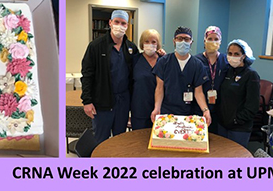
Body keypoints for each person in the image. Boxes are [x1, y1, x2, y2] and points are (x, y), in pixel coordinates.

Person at [80, 10, 139, 145]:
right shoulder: (96, 46)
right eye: (116, 22)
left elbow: (141, 67)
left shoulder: (131, 48)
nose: (120, 25)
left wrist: (158, 55)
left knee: (120, 140)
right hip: (102, 102)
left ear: (127, 26)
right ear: (110, 23)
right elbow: (87, 75)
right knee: (100, 141)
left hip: (123, 102)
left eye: (123, 23)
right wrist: (87, 101)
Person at [151, 26, 211, 125]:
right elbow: (159, 88)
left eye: (186, 39)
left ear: (191, 42)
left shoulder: (197, 65)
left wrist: (205, 110)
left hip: (188, 113)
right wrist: (157, 107)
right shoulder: (164, 62)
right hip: (167, 111)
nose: (183, 41)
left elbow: (199, 92)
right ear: (174, 41)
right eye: (179, 38)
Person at [216, 39, 260, 148]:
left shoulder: (251, 75)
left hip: (239, 128)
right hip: (222, 125)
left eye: (236, 54)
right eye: (230, 53)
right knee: (221, 155)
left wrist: (236, 120)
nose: (232, 56)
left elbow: (252, 106)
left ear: (243, 56)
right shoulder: (227, 71)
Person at [194, 26, 228, 134]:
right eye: (210, 39)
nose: (213, 42)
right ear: (204, 40)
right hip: (199, 107)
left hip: (219, 109)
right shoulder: (196, 60)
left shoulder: (226, 60)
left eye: (216, 39)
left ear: (220, 42)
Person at [130, 29, 163, 130]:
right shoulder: (134, 60)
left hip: (161, 110)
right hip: (140, 109)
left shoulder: (163, 61)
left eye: (153, 42)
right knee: (139, 141)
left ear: (158, 44)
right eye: (147, 41)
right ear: (142, 44)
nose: (150, 44)